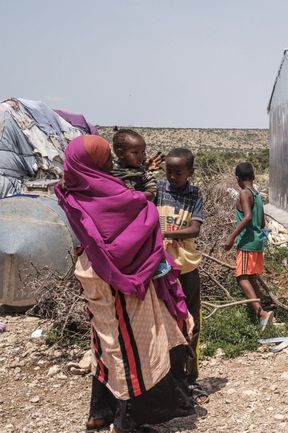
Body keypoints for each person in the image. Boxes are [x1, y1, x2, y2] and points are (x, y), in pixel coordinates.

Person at [55, 135, 194, 433]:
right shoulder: (108, 192)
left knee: (105, 342)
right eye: (105, 156)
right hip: (120, 278)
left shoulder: (74, 187)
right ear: (94, 161)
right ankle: (126, 420)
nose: (109, 161)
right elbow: (141, 214)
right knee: (131, 346)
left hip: (93, 272)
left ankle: (99, 413)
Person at [153, 147, 208, 404]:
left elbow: (195, 229)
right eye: (169, 172)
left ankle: (189, 375)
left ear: (190, 173)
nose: (172, 177)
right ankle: (166, 375)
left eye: (178, 172)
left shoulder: (194, 194)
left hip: (185, 267)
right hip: (160, 269)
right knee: (163, 322)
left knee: (191, 321)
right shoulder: (158, 190)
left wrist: (166, 235)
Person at [224, 162, 273, 329]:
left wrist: (231, 238)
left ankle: (262, 314)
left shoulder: (244, 193)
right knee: (251, 275)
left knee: (241, 277)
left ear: (237, 178)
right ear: (253, 176)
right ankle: (264, 306)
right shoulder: (257, 194)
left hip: (247, 243)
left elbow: (247, 217)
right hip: (257, 240)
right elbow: (262, 221)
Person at [111, 128, 162, 201]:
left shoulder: (144, 172)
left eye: (142, 152)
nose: (141, 156)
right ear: (120, 153)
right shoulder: (110, 169)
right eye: (135, 153)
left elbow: (152, 193)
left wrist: (135, 194)